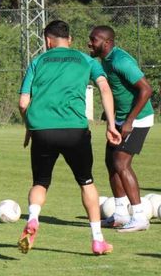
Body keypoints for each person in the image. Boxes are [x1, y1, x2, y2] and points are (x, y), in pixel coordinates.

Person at [17, 20, 121, 255]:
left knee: (40, 182)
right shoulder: (86, 60)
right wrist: (111, 125)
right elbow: (105, 88)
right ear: (70, 40)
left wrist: (29, 127)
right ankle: (97, 240)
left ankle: (33, 218)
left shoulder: (38, 61)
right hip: (75, 130)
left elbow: (24, 102)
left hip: (42, 131)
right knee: (87, 182)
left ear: (47, 40)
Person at [88, 25, 154, 232]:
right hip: (120, 120)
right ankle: (120, 213)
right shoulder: (105, 60)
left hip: (138, 119)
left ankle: (140, 216)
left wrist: (129, 121)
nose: (90, 43)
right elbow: (116, 91)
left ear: (106, 43)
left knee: (121, 162)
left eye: (94, 39)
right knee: (111, 162)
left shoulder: (120, 61)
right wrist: (111, 116)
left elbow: (146, 89)